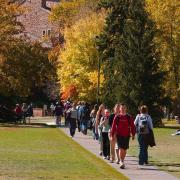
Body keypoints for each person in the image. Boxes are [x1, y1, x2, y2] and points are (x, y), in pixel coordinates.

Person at [111, 103, 136, 169]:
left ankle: (122, 160)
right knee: (121, 148)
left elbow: (132, 126)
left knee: (124, 149)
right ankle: (121, 162)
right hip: (119, 135)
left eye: (124, 108)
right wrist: (112, 135)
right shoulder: (117, 117)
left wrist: (133, 134)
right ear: (119, 109)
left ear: (126, 109)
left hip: (127, 135)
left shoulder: (128, 117)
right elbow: (113, 126)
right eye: (121, 108)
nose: (123, 109)